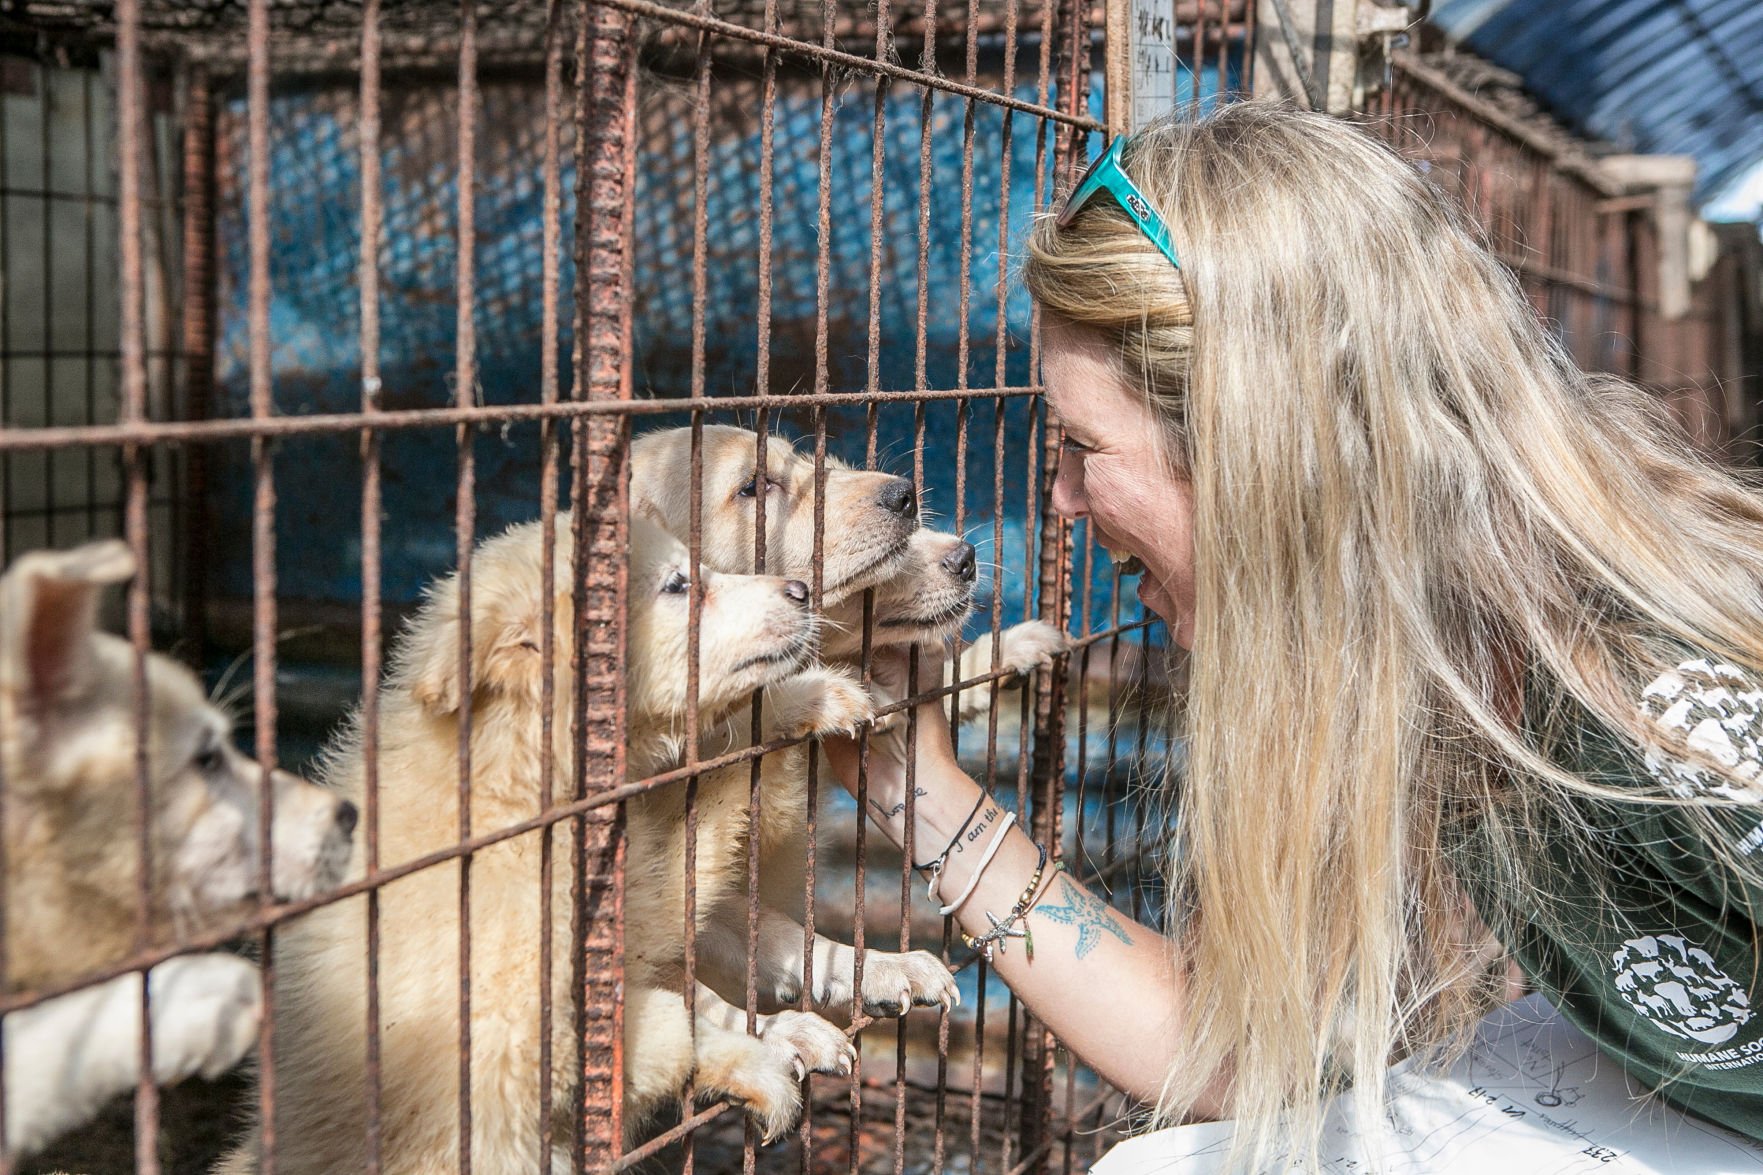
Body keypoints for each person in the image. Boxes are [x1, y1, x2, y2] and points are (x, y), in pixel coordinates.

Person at [824, 99, 1763, 1167]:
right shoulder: (1446, 670)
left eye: (1084, 443)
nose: (1062, 499)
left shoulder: (1657, 702)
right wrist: (913, 779)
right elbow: (1232, 1055)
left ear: (1256, 448)